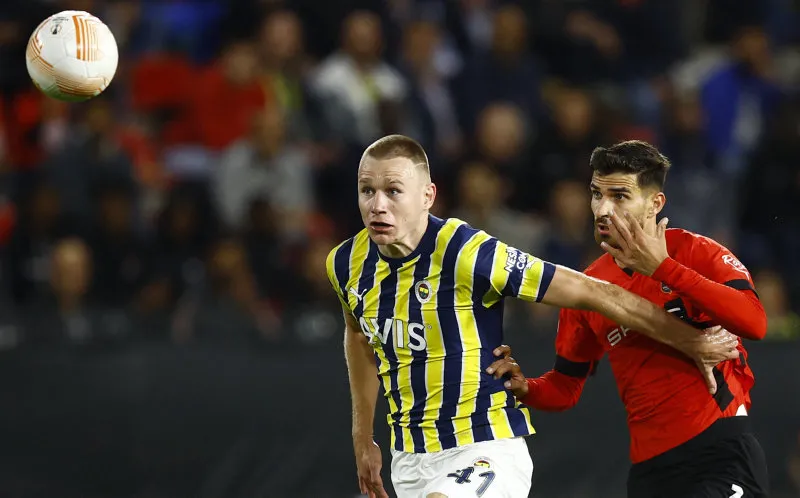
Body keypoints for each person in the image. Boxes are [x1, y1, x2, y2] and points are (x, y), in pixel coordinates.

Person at [324, 135, 740, 498]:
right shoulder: (345, 264)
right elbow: (359, 336)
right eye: (367, 191)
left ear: (427, 196)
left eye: (393, 191)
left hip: (483, 447)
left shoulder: (467, 253)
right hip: (408, 458)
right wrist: (363, 438)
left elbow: (594, 292)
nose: (377, 205)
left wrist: (691, 341)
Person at [486, 140, 770, 498]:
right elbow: (566, 386)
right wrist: (526, 387)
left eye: (619, 196)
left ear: (655, 203)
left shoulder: (696, 252)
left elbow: (755, 323)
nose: (603, 209)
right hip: (649, 473)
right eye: (596, 194)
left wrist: (663, 268)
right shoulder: (587, 288)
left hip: (719, 452)